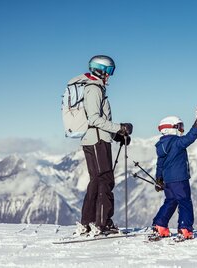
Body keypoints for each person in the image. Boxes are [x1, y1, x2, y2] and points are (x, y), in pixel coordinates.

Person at [72, 55, 133, 236]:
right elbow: (94, 119)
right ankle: (102, 223)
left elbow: (99, 121)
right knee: (105, 180)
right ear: (102, 70)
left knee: (97, 181)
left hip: (96, 139)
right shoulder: (94, 88)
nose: (111, 76)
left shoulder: (93, 88)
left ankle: (89, 222)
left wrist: (116, 135)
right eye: (110, 71)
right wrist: (120, 128)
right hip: (97, 141)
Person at [151, 113, 197, 240]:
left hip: (168, 180)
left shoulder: (161, 146)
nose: (181, 130)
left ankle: (160, 225)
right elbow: (190, 137)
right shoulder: (177, 142)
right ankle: (185, 228)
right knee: (185, 202)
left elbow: (160, 164)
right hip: (180, 179)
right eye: (180, 127)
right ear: (171, 128)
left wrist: (159, 179)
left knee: (170, 201)